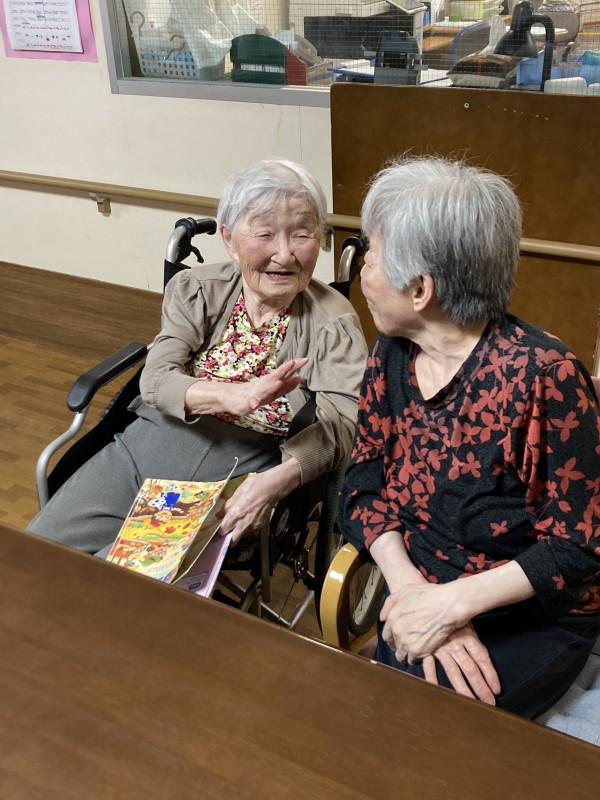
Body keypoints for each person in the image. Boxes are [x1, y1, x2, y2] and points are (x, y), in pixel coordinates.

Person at [337, 155, 600, 720]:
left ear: (420, 289)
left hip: (528, 615)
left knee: (425, 721)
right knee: (379, 711)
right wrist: (413, 592)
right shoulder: (390, 353)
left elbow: (576, 547)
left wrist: (452, 605)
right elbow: (360, 488)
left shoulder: (543, 376)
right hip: (418, 590)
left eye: (371, 254)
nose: (362, 270)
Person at [29, 159, 368, 562]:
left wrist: (276, 482)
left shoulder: (334, 322)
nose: (284, 254)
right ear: (229, 239)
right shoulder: (198, 289)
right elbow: (155, 378)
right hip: (149, 442)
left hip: (243, 465)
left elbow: (343, 422)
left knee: (121, 576)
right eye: (264, 233)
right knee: (34, 555)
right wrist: (232, 396)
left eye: (302, 233)